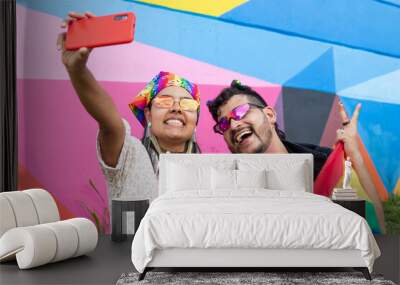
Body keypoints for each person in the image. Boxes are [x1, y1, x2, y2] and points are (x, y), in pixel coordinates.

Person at [57, 12, 201, 208]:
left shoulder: (210, 171)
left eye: (187, 103)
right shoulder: (129, 155)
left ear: (196, 120)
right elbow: (109, 124)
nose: (176, 108)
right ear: (148, 114)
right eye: (165, 101)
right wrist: (78, 70)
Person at [207, 80, 386, 233]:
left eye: (240, 112)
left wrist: (355, 156)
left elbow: (372, 225)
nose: (234, 124)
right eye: (223, 124)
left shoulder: (323, 163)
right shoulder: (228, 189)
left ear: (269, 115)